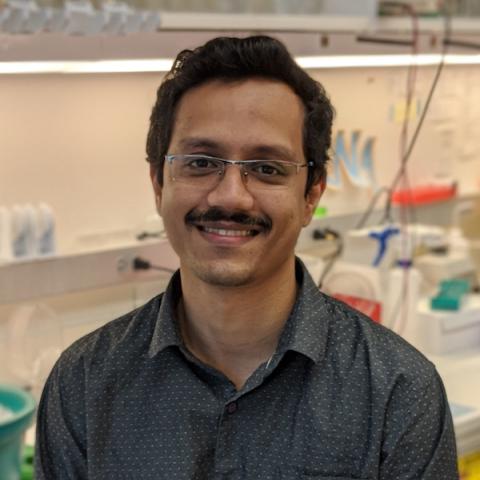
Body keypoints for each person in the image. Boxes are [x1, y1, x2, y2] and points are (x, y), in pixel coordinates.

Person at [34, 35, 459, 479]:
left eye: (267, 169)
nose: (232, 196)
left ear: (312, 194)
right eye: (201, 162)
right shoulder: (84, 384)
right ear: (160, 183)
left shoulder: (399, 393)